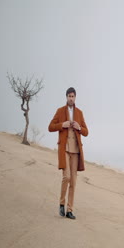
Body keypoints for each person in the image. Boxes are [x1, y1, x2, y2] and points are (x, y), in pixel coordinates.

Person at [48, 87, 89, 220]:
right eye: (69, 96)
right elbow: (50, 127)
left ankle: (69, 210)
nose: (71, 98)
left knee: (74, 181)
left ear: (75, 97)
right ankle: (61, 203)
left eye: (73, 96)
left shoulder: (80, 113)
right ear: (66, 97)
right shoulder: (60, 111)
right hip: (65, 149)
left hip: (76, 151)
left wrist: (79, 128)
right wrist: (62, 125)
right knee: (66, 177)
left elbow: (86, 132)